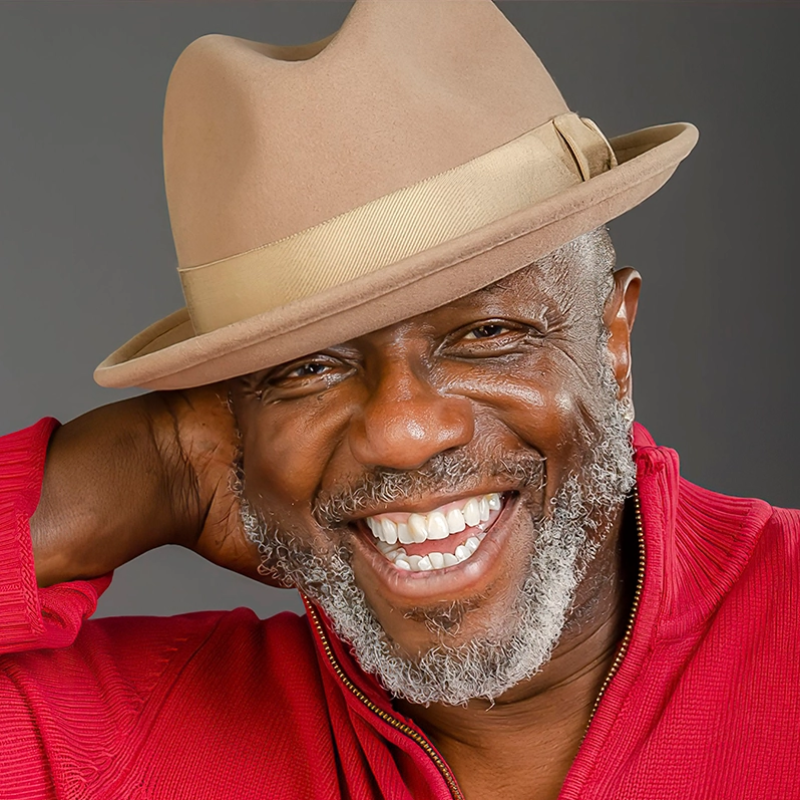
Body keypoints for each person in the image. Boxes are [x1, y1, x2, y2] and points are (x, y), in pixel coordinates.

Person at [1, 1, 797, 799]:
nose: (403, 431)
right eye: (306, 368)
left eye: (487, 331)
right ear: (232, 421)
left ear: (613, 343)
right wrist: (145, 470)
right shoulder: (113, 738)